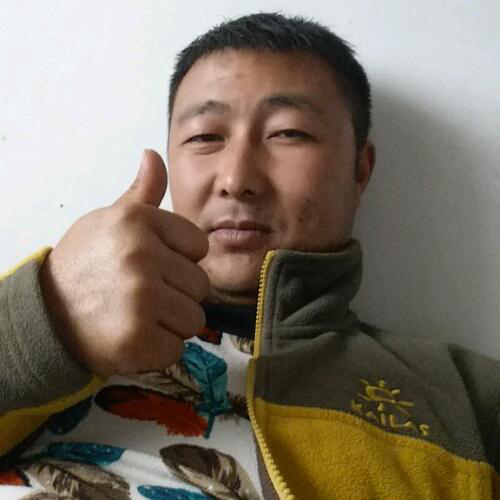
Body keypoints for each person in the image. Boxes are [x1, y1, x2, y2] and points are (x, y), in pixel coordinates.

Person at [0, 11, 498, 500]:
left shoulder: (465, 398)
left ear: (360, 169)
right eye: (205, 137)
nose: (236, 178)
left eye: (289, 133)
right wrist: (48, 323)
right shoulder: (50, 326)